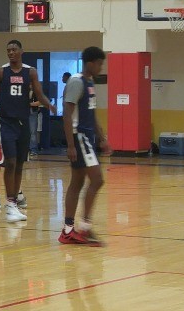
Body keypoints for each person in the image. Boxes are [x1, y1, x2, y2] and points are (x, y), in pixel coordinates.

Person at [0, 40, 56, 223]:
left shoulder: (30, 71)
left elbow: (39, 94)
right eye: (8, 50)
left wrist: (49, 105)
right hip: (5, 121)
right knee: (10, 161)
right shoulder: (1, 72)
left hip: (23, 122)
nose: (11, 52)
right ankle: (9, 204)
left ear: (21, 51)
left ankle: (14, 202)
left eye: (14, 49)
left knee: (19, 164)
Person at [59, 47, 110, 247]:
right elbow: (66, 113)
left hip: (87, 136)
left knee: (77, 183)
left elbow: (92, 113)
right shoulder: (76, 81)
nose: (101, 67)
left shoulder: (89, 82)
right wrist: (70, 144)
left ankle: (68, 230)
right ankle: (84, 228)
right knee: (97, 180)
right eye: (99, 63)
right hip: (79, 137)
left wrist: (102, 137)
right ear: (90, 63)